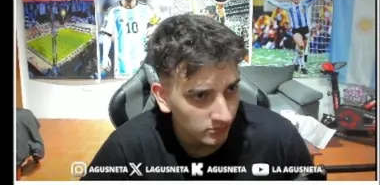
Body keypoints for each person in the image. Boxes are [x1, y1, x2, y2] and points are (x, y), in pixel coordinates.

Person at [81, 14, 321, 181]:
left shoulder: (281, 139)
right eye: (201, 95)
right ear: (162, 97)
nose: (225, 115)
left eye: (231, 89)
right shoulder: (125, 151)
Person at [100, 0, 161, 78]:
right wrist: (105, 56)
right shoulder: (113, 11)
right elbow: (106, 34)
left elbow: (158, 24)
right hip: (122, 67)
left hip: (142, 63)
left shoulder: (146, 9)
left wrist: (152, 30)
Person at [264, 0, 319, 75]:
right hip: (295, 30)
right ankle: (302, 66)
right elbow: (276, 3)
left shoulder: (304, 3)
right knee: (301, 45)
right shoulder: (289, 6)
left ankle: (296, 60)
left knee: (302, 49)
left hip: (305, 29)